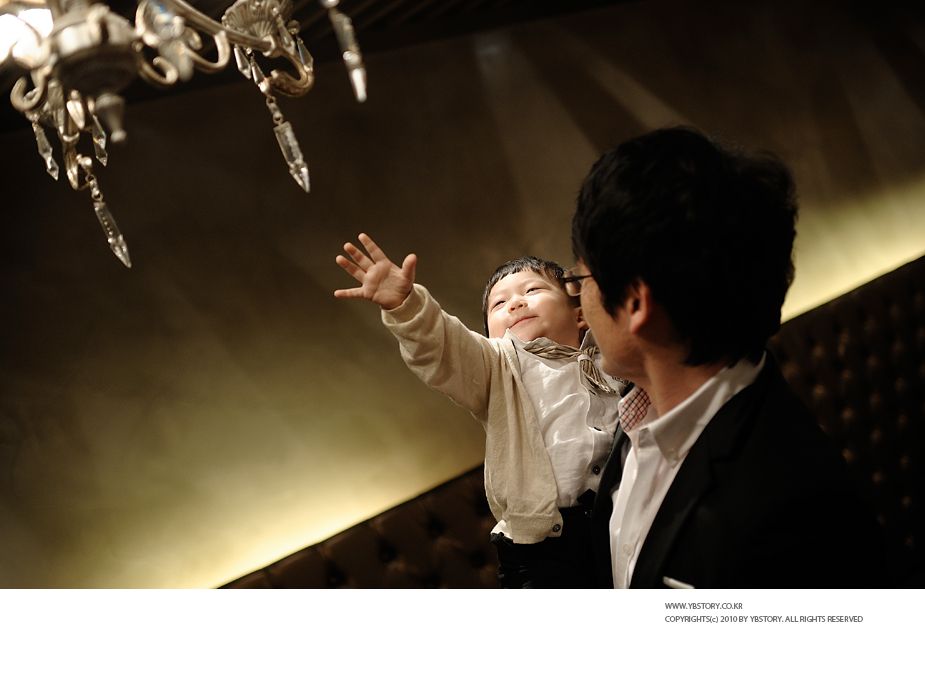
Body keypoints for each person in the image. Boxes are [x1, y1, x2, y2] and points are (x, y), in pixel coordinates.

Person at [568, 126, 887, 589]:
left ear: (636, 302)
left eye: (582, 279)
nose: (578, 301)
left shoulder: (795, 513)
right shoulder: (637, 409)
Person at [334, 233, 627, 588]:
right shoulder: (497, 366)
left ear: (579, 314)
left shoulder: (613, 358)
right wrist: (406, 305)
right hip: (542, 546)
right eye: (499, 304)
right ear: (489, 335)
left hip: (621, 514)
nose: (515, 303)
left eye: (532, 290)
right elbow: (443, 345)